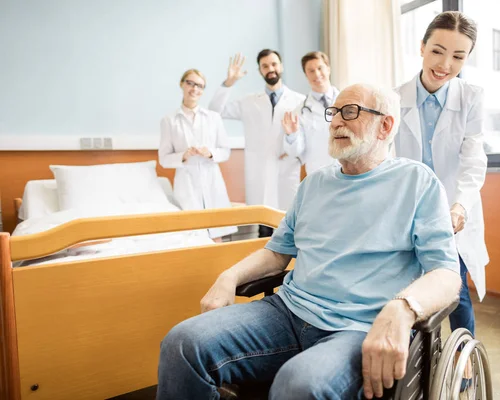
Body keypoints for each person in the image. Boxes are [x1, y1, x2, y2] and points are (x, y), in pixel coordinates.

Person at [157, 84, 462, 400]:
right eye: (334, 113)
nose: (336, 122)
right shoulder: (313, 185)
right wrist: (228, 277)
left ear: (385, 125)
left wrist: (403, 308)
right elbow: (276, 255)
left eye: (350, 111)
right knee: (182, 343)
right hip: (287, 313)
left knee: (298, 385)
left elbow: (446, 274)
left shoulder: (417, 182)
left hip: (359, 327)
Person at [393, 11, 489, 391]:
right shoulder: (394, 99)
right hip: (408, 210)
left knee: (458, 290)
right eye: (437, 51)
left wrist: (461, 205)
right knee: (410, 285)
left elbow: (473, 157)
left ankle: (464, 364)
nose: (445, 64)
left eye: (459, 56)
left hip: (455, 211)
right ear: (421, 48)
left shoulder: (471, 98)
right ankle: (411, 361)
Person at [209, 50, 304, 237]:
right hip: (259, 174)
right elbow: (214, 111)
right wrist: (229, 82)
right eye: (265, 66)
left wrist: (289, 145)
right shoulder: (249, 102)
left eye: (274, 64)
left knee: (290, 228)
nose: (271, 69)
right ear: (260, 70)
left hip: (286, 172)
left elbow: (301, 141)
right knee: (264, 232)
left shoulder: (299, 101)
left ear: (281, 66)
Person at [159, 69, 237, 240]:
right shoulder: (169, 120)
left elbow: (225, 151)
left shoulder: (213, 118)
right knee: (192, 235)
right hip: (186, 184)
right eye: (190, 83)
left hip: (212, 180)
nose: (194, 89)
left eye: (200, 86)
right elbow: (164, 159)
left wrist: (210, 154)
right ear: (182, 84)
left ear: (203, 90)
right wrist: (183, 156)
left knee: (217, 234)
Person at [282, 51, 339, 175]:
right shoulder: (299, 112)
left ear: (328, 69)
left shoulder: (347, 102)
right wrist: (291, 135)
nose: (317, 74)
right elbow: (295, 152)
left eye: (320, 68)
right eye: (311, 71)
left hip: (347, 170)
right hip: (319, 173)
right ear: (306, 75)